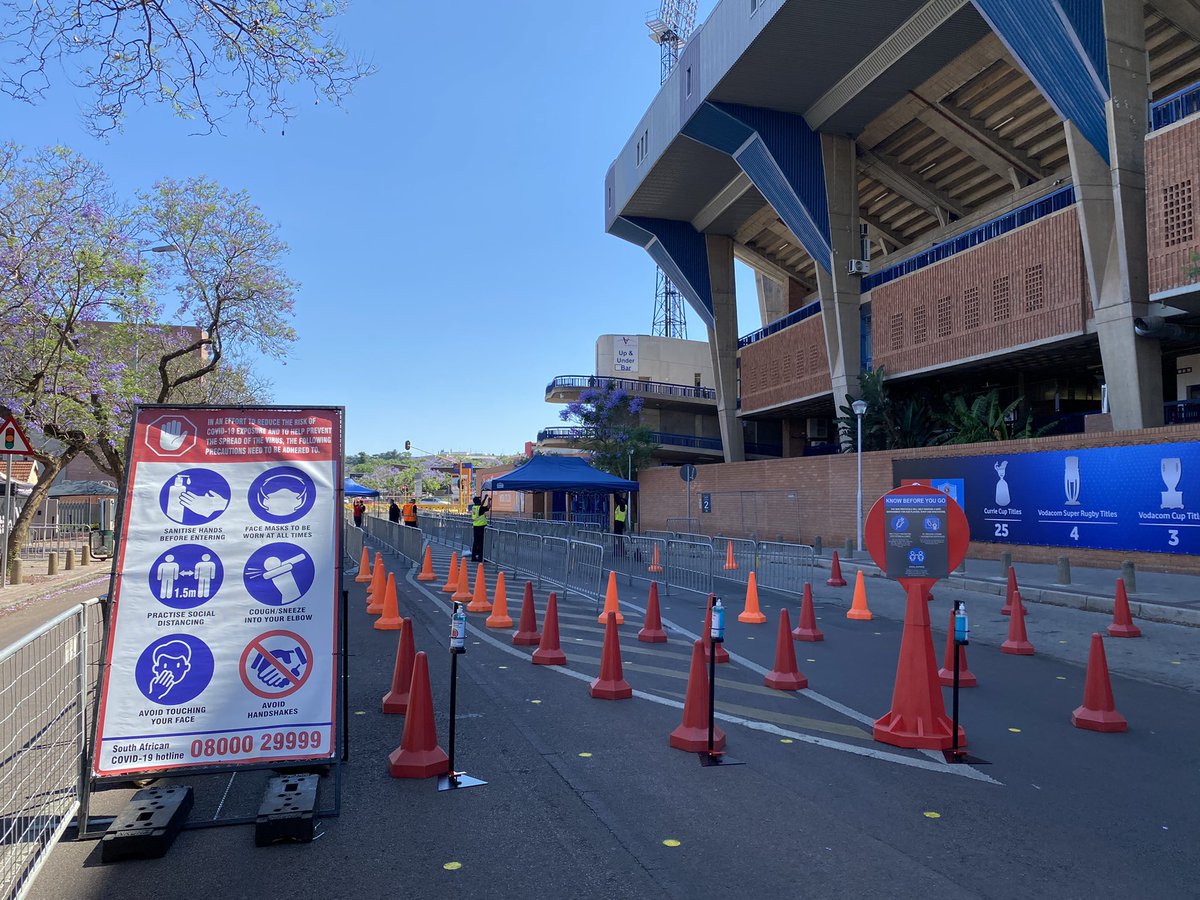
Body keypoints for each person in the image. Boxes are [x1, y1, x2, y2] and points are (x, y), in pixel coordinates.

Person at [470, 493, 492, 562]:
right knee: (481, 543)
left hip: (475, 527)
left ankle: (473, 557)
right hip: (481, 527)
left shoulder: (474, 507)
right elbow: (488, 507)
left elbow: (481, 505)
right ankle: (480, 558)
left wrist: (485, 498)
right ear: (478, 502)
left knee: (475, 542)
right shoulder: (480, 508)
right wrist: (489, 501)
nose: (480, 501)